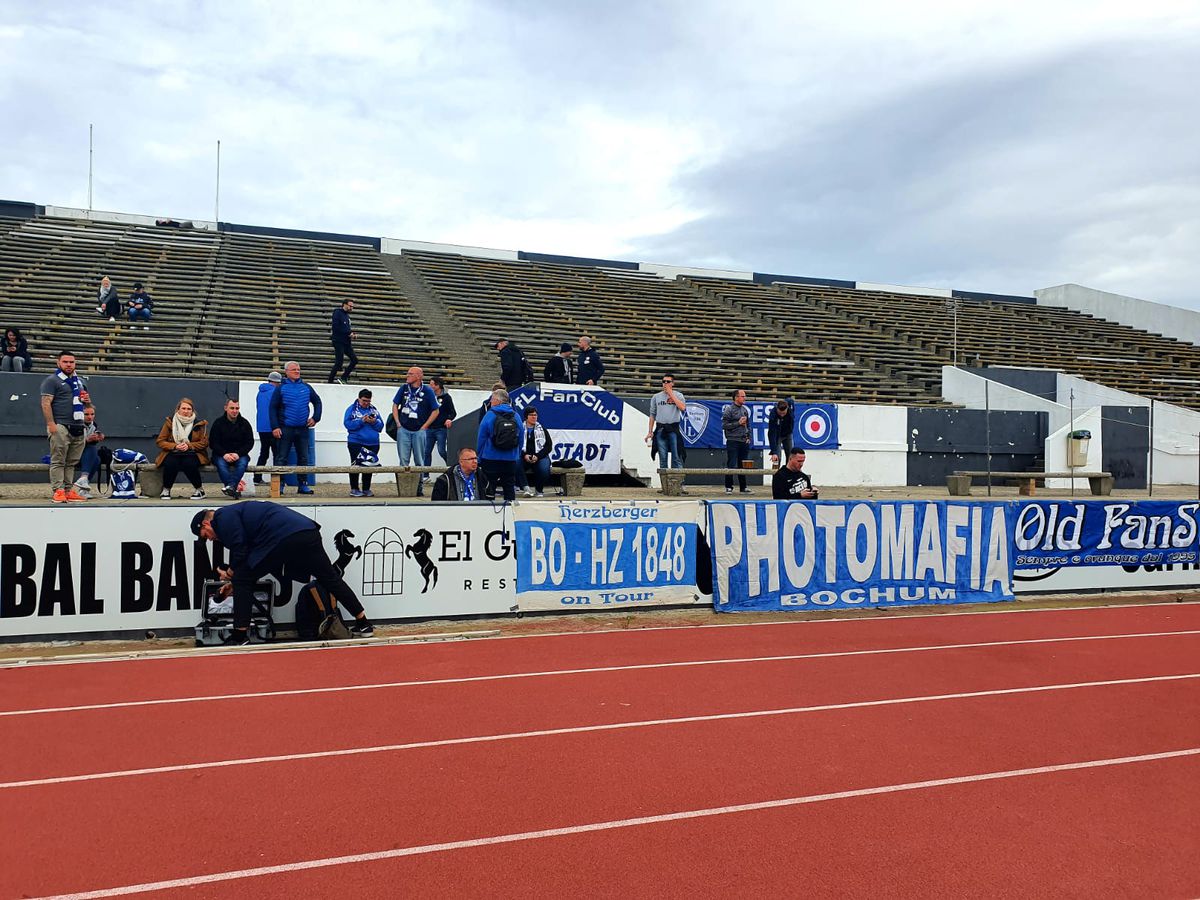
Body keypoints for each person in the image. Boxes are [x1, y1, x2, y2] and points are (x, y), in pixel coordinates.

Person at [191, 503, 374, 646]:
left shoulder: (222, 517)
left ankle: (240, 636)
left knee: (242, 579)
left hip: (283, 537)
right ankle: (363, 623)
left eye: (206, 535)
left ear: (207, 523)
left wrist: (231, 574)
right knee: (330, 578)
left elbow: (240, 550)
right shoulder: (236, 514)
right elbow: (253, 560)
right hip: (307, 532)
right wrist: (234, 583)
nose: (210, 539)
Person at [40, 350, 89, 503]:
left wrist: (87, 399)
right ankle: (58, 490)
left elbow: (86, 404)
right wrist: (50, 424)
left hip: (78, 425)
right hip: (60, 424)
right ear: (58, 363)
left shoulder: (80, 381)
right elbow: (45, 402)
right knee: (58, 460)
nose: (69, 365)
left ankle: (68, 490)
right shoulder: (52, 381)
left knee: (72, 461)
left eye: (71, 362)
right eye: (65, 362)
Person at [270, 361, 321, 496]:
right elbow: (272, 408)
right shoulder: (280, 388)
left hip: (302, 429)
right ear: (286, 372)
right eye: (294, 370)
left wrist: (315, 418)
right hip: (285, 428)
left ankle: (303, 484)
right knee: (281, 458)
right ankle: (279, 485)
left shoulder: (306, 387)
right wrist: (275, 426)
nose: (297, 371)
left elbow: (317, 402)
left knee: (304, 458)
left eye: (298, 369)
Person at [391, 366, 438, 496]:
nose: (407, 376)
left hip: (419, 430)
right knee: (403, 461)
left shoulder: (428, 390)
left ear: (418, 376)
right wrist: (398, 423)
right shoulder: (404, 388)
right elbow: (395, 405)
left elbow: (436, 410)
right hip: (404, 429)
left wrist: (425, 426)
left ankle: (419, 489)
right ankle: (404, 489)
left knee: (419, 461)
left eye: (410, 374)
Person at [155, 397, 210, 500]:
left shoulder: (200, 424)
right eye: (183, 408)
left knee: (188, 463)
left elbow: (204, 443)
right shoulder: (170, 422)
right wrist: (175, 446)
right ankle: (166, 489)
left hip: (193, 453)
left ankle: (199, 490)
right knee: (170, 463)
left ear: (192, 411)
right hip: (173, 452)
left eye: (189, 409)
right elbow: (160, 441)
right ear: (178, 409)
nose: (186, 411)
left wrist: (189, 445)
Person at [476, 387, 522, 502]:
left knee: (488, 488)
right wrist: (517, 454)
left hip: (490, 457)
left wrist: (479, 456)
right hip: (510, 459)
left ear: (498, 401)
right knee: (509, 488)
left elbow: (481, 437)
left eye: (492, 399)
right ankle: (509, 515)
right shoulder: (516, 416)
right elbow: (521, 437)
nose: (490, 402)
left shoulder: (490, 415)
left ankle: (487, 514)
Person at [648, 373, 687, 492]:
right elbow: (652, 414)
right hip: (660, 429)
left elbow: (682, 408)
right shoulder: (656, 397)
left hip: (673, 428)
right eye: (664, 381)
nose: (665, 384)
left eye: (668, 381)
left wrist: (671, 394)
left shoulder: (679, 395)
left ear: (673, 383)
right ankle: (665, 486)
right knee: (663, 458)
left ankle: (679, 485)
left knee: (676, 457)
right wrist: (650, 431)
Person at [209, 398, 254, 499]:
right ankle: (233, 488)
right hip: (221, 454)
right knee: (221, 464)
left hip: (240, 455)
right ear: (226, 408)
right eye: (232, 408)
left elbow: (249, 442)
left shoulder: (244, 423)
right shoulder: (218, 423)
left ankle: (231, 487)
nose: (235, 411)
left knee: (242, 463)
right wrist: (224, 454)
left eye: (237, 408)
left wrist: (238, 453)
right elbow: (213, 442)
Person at [345, 388, 384, 497]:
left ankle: (366, 488)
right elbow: (348, 424)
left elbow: (380, 427)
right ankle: (354, 488)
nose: (366, 403)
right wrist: (361, 421)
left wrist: (373, 422)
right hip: (356, 442)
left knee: (369, 466)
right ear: (359, 398)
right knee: (356, 465)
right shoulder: (352, 410)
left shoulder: (374, 411)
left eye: (368, 401)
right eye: (364, 401)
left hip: (373, 443)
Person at [516, 406, 554, 497]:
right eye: (531, 415)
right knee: (515, 462)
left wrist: (538, 456)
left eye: (535, 415)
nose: (534, 417)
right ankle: (526, 488)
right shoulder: (519, 429)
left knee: (544, 468)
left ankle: (539, 489)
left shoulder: (542, 430)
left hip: (539, 456)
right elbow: (515, 445)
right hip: (523, 456)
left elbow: (548, 446)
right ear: (526, 416)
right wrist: (524, 455)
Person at [252, 371, 282, 484]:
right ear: (277, 382)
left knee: (264, 452)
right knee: (277, 453)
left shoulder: (260, 392)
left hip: (261, 427)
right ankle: (276, 479)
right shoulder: (275, 392)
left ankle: (257, 478)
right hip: (273, 426)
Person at [722, 389, 752, 494]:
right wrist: (738, 423)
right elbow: (724, 425)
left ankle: (743, 487)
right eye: (742, 396)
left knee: (742, 464)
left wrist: (748, 437)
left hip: (744, 440)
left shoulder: (744, 410)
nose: (744, 398)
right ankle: (728, 487)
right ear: (736, 397)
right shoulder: (729, 409)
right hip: (733, 440)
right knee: (731, 463)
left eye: (744, 396)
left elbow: (748, 425)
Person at [74, 405, 106, 499]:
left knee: (97, 460)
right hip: (72, 455)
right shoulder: (75, 425)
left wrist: (98, 437)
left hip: (84, 456)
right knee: (91, 449)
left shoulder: (93, 425)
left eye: (92, 414)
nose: (90, 417)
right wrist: (87, 440)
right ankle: (84, 481)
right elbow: (72, 444)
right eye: (86, 414)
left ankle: (84, 483)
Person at [424, 376, 456, 468]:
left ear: (438, 385)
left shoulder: (446, 398)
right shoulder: (429, 396)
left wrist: (449, 419)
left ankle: (451, 467)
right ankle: (426, 474)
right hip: (429, 428)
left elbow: (452, 412)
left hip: (441, 429)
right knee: (426, 452)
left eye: (432, 385)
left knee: (441, 451)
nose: (430, 387)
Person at [328, 299, 358, 384]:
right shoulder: (337, 312)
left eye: (352, 306)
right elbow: (336, 327)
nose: (351, 308)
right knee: (339, 363)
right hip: (338, 341)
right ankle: (330, 381)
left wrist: (352, 334)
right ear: (344, 305)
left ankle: (343, 377)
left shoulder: (347, 316)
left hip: (346, 342)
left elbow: (346, 328)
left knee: (354, 360)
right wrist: (349, 333)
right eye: (350, 306)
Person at [767, 399, 795, 466]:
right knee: (777, 457)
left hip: (787, 434)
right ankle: (776, 475)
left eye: (784, 413)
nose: (782, 415)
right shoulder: (773, 416)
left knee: (790, 456)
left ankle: (788, 475)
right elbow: (771, 434)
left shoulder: (790, 409)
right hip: (777, 435)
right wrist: (774, 452)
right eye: (780, 413)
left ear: (787, 408)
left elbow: (790, 400)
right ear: (777, 409)